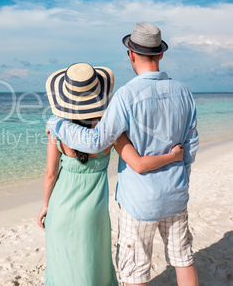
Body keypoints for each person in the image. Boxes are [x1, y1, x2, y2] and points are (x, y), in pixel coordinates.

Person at [47, 23, 199, 286]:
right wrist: (177, 175)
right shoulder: (184, 92)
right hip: (176, 193)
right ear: (161, 54)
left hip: (139, 201)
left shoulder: (126, 96)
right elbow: (191, 146)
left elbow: (95, 142)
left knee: (135, 272)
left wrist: (58, 124)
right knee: (183, 259)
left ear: (131, 54)